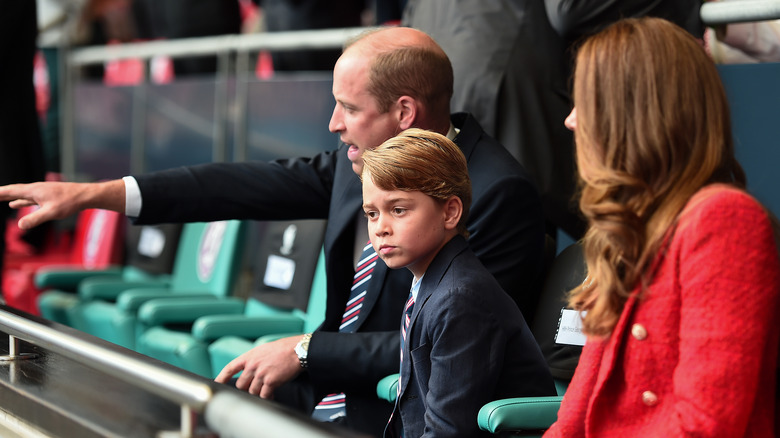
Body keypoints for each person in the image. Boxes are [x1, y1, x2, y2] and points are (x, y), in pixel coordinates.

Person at [0, 26, 546, 436]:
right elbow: (235, 186)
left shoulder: (496, 193)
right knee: (194, 417)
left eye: (348, 108)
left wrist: (307, 351)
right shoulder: (358, 160)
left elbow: (457, 344)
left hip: (387, 412)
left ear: (404, 111)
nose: (332, 124)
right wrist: (92, 194)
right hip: (318, 390)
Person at [545, 17, 780, 437]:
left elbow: (706, 426)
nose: (571, 120)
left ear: (633, 113)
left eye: (585, 101)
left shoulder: (723, 219)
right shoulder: (627, 233)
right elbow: (574, 419)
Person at [361, 128, 554, 437]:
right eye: (372, 213)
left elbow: (448, 431)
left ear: (450, 212)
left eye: (398, 210)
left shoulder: (459, 298)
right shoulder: (431, 282)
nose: (380, 228)